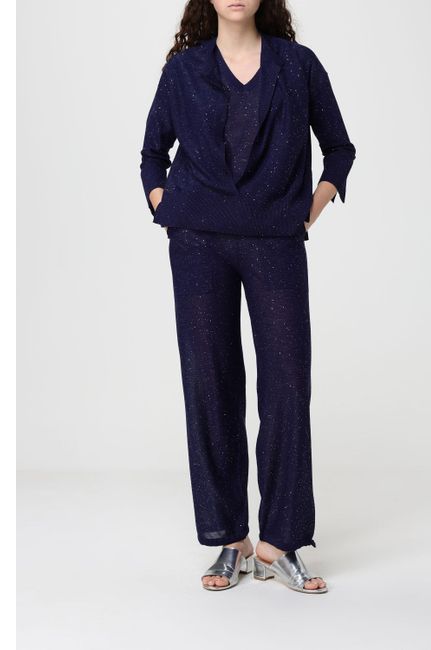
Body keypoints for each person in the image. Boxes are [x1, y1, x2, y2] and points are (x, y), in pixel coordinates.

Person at [140, 0, 356, 594]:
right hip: (197, 243)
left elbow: (339, 147)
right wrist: (166, 205)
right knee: (209, 382)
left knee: (287, 384)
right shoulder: (184, 70)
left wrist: (307, 213)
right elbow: (152, 152)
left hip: (274, 241)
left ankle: (280, 542)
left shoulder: (298, 64)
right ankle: (228, 538)